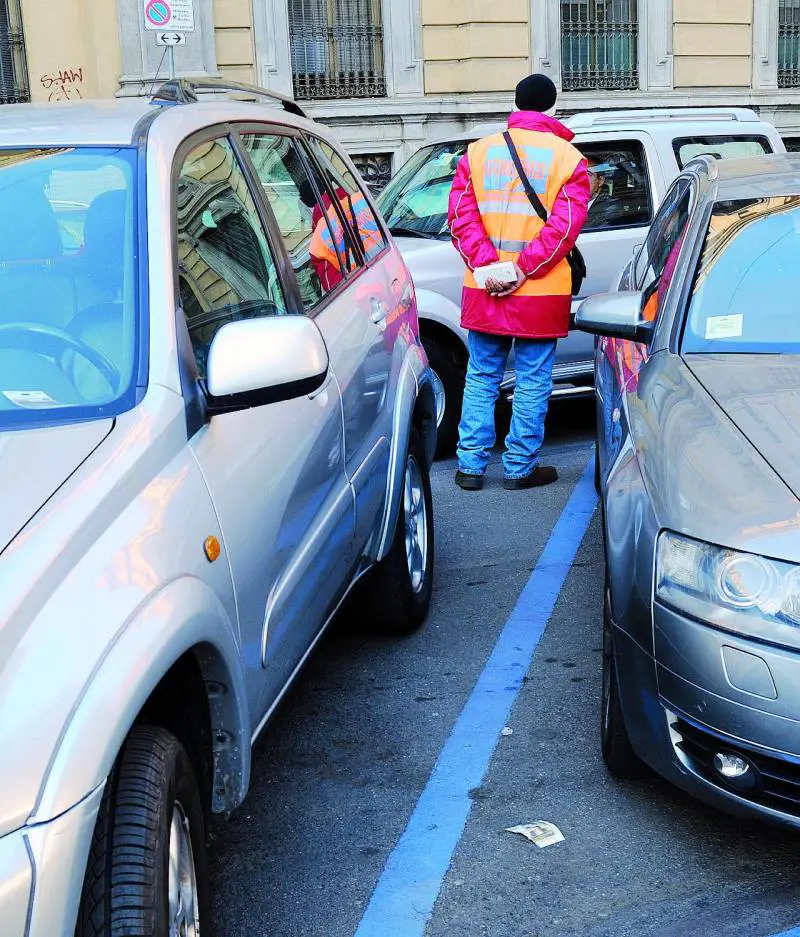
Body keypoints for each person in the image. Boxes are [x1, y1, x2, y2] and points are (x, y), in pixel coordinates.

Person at [448, 73, 591, 491]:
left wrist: (490, 266)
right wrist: (522, 269)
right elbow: (564, 230)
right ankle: (519, 468)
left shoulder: (476, 153)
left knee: (481, 377)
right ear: (552, 108)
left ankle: (470, 467)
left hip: (484, 287)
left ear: (515, 103)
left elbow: (460, 217)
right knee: (532, 381)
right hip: (540, 291)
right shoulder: (568, 158)